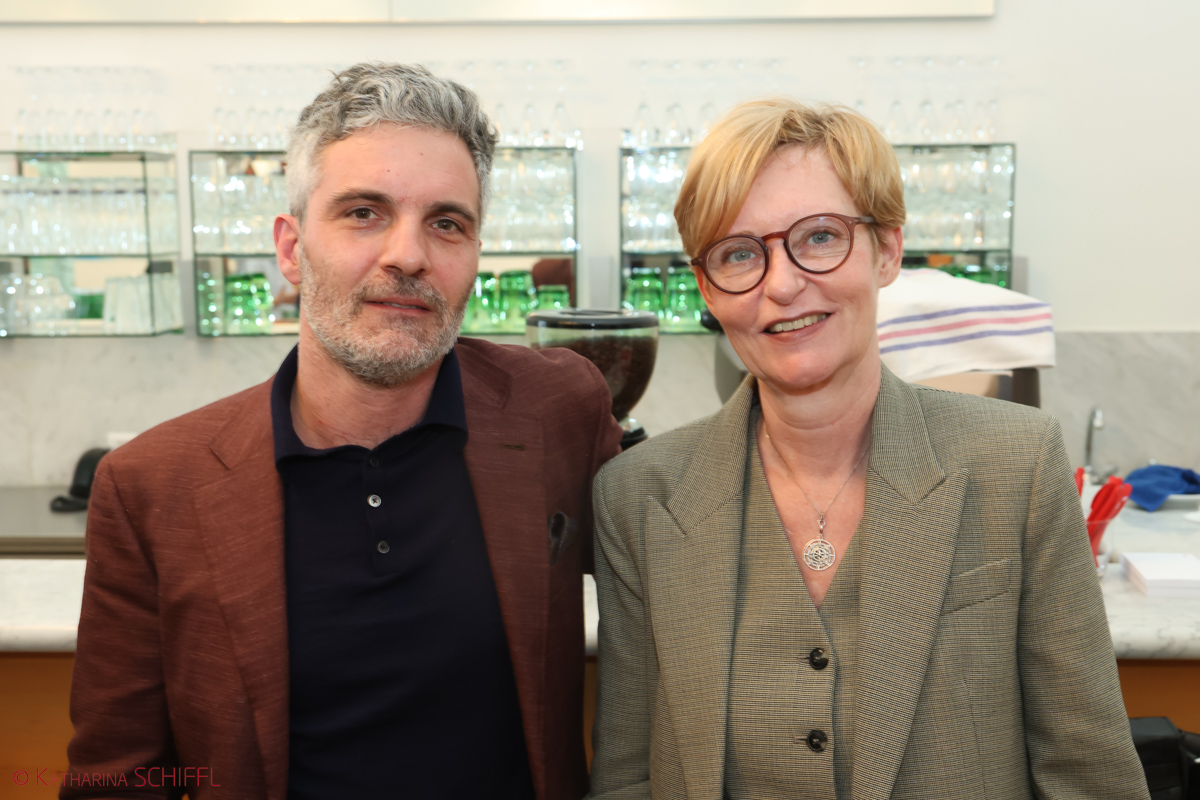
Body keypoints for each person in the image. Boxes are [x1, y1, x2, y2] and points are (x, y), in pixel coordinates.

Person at [63, 63, 622, 800]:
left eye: (447, 223)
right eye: (363, 212)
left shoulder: (556, 407)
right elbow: (118, 778)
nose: (408, 255)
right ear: (291, 250)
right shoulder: (153, 486)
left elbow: (676, 577)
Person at [587, 98, 1148, 800]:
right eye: (739, 253)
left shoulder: (1018, 463)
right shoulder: (639, 496)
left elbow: (1089, 777)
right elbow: (628, 778)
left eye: (820, 237)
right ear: (707, 287)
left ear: (887, 250)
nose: (782, 284)